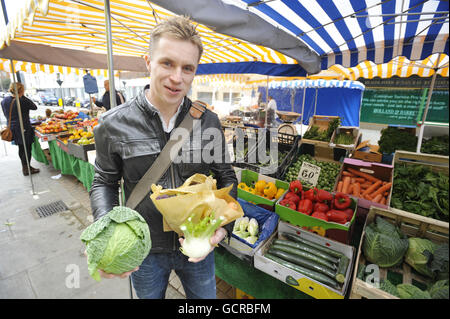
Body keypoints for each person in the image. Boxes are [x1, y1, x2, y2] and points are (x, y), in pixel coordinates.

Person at [89, 16, 238, 299]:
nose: (176, 78)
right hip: (144, 250)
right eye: (167, 63)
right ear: (148, 61)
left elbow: (226, 177)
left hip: (197, 243)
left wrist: (221, 229)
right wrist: (106, 233)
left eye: (187, 68)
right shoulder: (113, 124)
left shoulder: (208, 122)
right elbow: (104, 182)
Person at [1, 83, 40, 176]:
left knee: (21, 148)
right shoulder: (22, 101)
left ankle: (25, 166)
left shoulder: (4, 101)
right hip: (23, 128)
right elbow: (34, 107)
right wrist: (23, 96)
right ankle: (26, 168)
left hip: (13, 128)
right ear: (21, 90)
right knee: (26, 148)